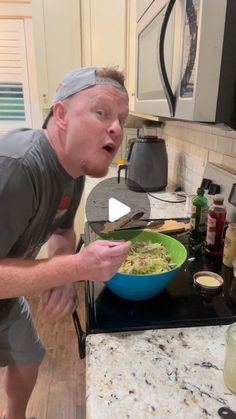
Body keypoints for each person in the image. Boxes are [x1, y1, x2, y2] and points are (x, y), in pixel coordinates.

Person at [0, 66, 131, 419]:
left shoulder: (72, 170)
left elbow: (61, 231)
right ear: (61, 114)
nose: (116, 128)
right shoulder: (18, 167)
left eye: (121, 118)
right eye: (101, 112)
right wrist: (75, 266)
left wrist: (63, 275)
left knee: (27, 358)